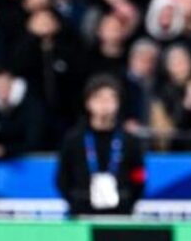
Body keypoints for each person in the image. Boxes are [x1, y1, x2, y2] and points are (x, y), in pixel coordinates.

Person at [55, 75, 146, 216]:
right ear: (88, 103)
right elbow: (62, 177)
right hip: (82, 213)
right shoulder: (74, 139)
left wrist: (127, 202)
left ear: (118, 103)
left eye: (110, 99)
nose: (104, 105)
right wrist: (76, 203)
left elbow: (139, 177)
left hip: (121, 214)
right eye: (99, 98)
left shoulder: (130, 141)